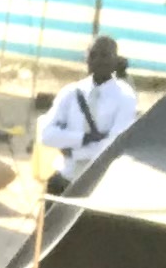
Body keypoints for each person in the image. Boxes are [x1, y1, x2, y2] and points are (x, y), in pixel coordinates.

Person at [39, 31, 140, 186]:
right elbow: (46, 135)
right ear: (86, 59)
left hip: (101, 184)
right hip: (65, 178)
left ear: (116, 60)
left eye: (105, 55)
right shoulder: (71, 92)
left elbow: (115, 146)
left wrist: (73, 151)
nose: (98, 60)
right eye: (93, 55)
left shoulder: (125, 97)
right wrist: (83, 138)